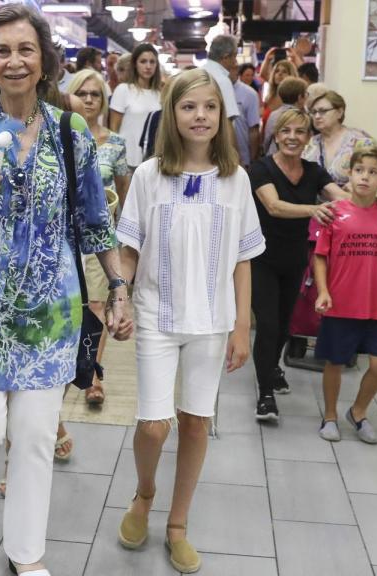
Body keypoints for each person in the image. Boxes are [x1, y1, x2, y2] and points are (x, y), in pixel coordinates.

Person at [0, 5, 134, 575]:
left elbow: (97, 223)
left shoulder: (71, 133)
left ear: (44, 59)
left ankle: (27, 553)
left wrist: (118, 286)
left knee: (35, 434)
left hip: (48, 312)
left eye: (26, 49)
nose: (15, 60)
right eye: (2, 51)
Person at [115, 69, 263, 574]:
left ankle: (178, 525)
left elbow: (244, 260)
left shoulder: (236, 179)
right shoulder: (148, 175)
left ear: (221, 116)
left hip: (213, 319)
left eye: (209, 107)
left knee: (197, 423)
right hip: (156, 314)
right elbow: (129, 248)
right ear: (171, 115)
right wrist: (120, 295)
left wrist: (242, 326)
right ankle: (144, 493)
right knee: (154, 427)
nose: (200, 116)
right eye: (188, 107)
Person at [247, 108, 349, 421]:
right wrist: (313, 210)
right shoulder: (260, 168)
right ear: (275, 136)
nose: (292, 137)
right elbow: (274, 206)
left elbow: (341, 198)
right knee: (267, 325)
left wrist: (369, 199)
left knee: (284, 324)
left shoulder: (313, 170)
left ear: (307, 138)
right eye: (285, 131)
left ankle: (273, 366)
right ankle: (265, 394)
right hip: (260, 258)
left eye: (300, 132)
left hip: (294, 259)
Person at [314, 144, 377, 443]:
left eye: (373, 172)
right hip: (340, 303)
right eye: (359, 171)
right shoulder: (334, 212)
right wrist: (323, 291)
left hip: (375, 306)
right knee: (335, 362)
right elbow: (320, 256)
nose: (365, 177)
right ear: (350, 174)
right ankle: (329, 417)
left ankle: (358, 411)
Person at [68, 68, 130, 406]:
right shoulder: (60, 135)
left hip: (98, 236)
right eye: (84, 93)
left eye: (96, 94)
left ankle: (92, 372)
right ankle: (68, 363)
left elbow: (123, 189)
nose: (89, 100)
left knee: (94, 303)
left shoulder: (115, 143)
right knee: (70, 305)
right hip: (64, 235)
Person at [303, 90, 375, 188]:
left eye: (323, 111)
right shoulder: (310, 142)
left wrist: (359, 184)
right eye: (314, 112)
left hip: (350, 201)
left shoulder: (357, 139)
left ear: (339, 113)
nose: (317, 116)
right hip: (315, 202)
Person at [110, 43, 163, 172]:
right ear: (135, 64)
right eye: (143, 61)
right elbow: (113, 130)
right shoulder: (123, 90)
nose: (148, 66)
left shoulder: (160, 94)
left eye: (152, 62)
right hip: (126, 160)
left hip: (152, 160)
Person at [199, 34, 242, 158]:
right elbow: (227, 123)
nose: (235, 61)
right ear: (225, 57)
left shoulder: (198, 73)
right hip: (218, 150)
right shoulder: (222, 81)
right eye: (234, 56)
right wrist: (236, 159)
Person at [262, 77, 307, 154]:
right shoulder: (302, 117)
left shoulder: (274, 114)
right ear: (300, 98)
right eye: (306, 94)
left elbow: (267, 139)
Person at [232, 58, 261, 166]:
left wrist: (252, 160)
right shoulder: (215, 89)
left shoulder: (250, 94)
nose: (250, 78)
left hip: (243, 158)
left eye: (251, 75)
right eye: (247, 75)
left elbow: (254, 129)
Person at [260, 59, 297, 133]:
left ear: (291, 76)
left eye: (284, 72)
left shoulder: (295, 100)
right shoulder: (268, 98)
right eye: (277, 71)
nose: (279, 74)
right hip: (266, 142)